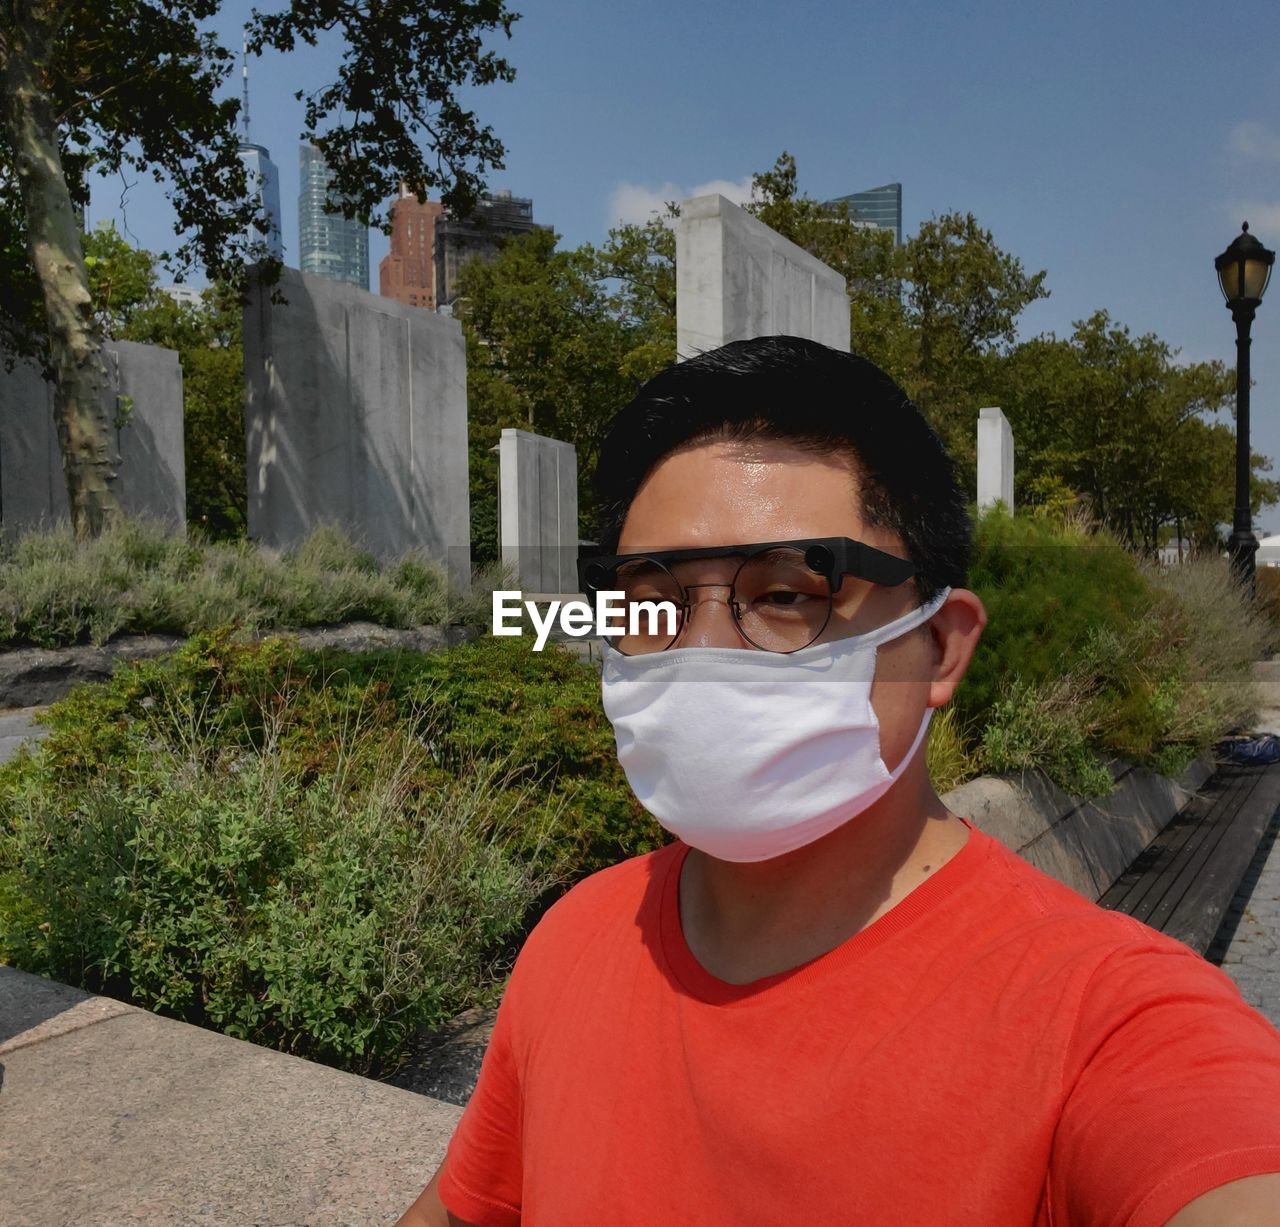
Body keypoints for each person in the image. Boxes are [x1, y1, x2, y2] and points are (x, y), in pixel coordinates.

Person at [399, 337, 1280, 1226]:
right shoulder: (576, 939)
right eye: (651, 602)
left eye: (787, 594)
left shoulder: (1104, 1019)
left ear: (941, 647)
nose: (700, 650)